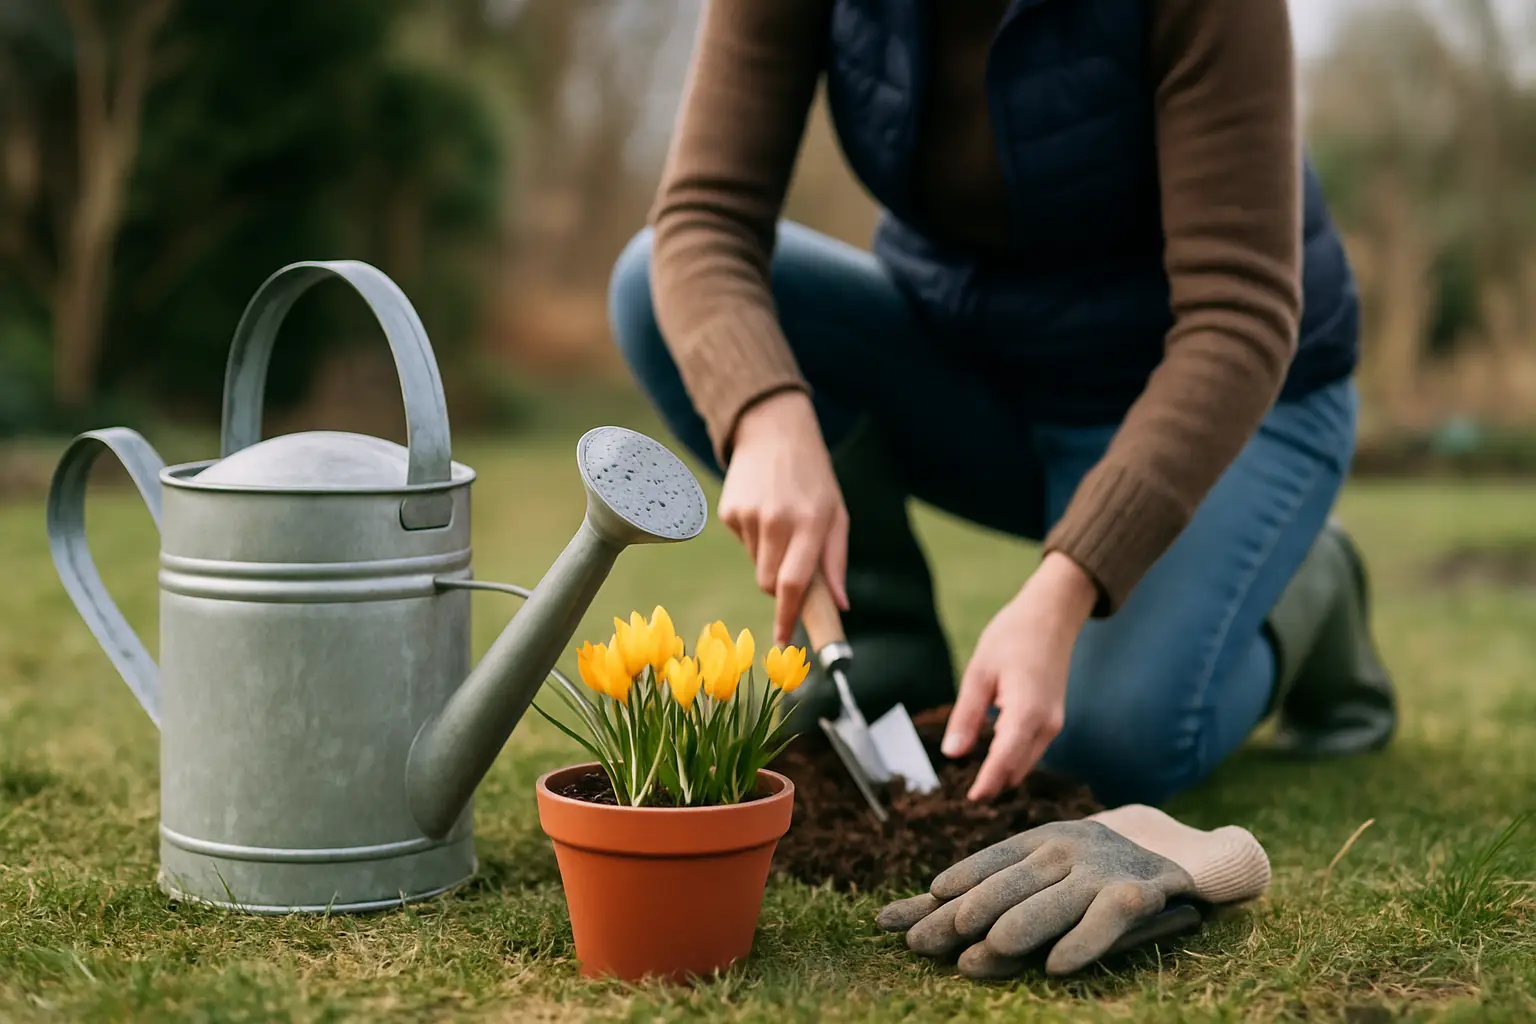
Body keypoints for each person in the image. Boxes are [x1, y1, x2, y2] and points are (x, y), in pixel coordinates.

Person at [607, 0, 1396, 815]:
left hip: (1228, 410)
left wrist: (1064, 592)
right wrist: (765, 410)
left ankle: (1312, 587)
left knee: (1103, 748)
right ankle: (883, 653)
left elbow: (1239, 316)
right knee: (651, 291)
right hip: (982, 378)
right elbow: (704, 220)